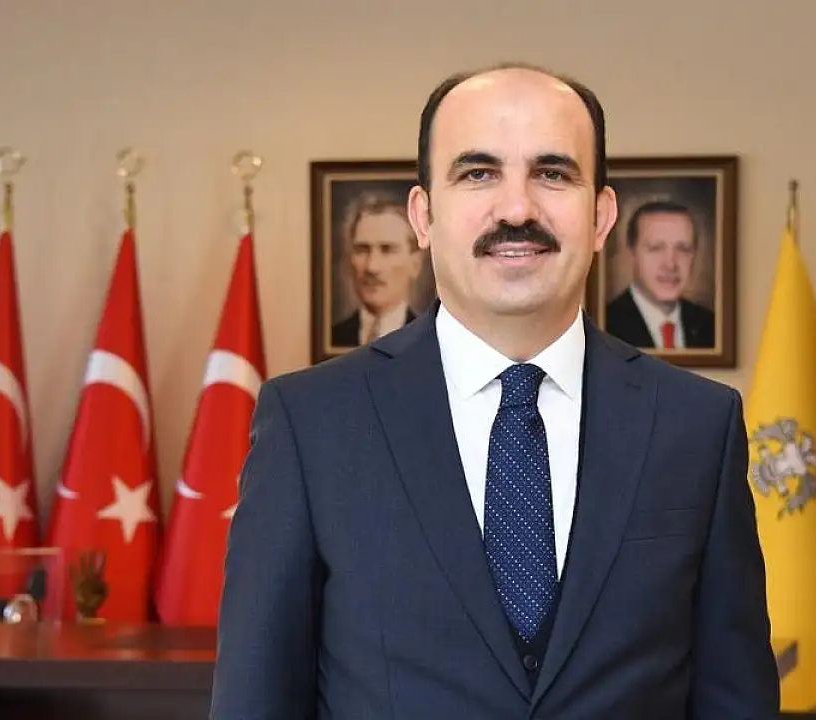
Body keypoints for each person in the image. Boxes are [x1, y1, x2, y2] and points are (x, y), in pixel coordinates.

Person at [211, 62, 779, 719]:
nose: (516, 209)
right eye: (478, 173)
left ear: (601, 217)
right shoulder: (311, 425)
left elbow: (736, 700)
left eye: (553, 173)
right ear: (423, 215)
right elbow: (255, 701)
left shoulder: (697, 426)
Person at [605, 199, 717, 349]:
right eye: (656, 248)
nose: (670, 264)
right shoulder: (605, 325)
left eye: (683, 249)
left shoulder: (711, 326)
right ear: (631, 253)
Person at [330, 192, 423, 346]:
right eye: (362, 250)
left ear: (415, 264)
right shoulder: (333, 337)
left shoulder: (431, 341)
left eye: (387, 250)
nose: (372, 267)